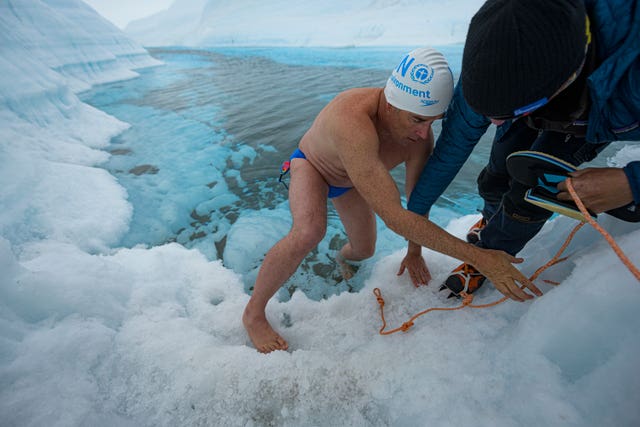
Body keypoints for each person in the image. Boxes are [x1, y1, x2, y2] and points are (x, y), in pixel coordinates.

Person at [242, 47, 541, 353]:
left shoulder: (418, 139)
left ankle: (341, 258)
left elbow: (416, 202)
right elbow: (394, 216)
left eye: (433, 122)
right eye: (417, 120)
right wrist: (480, 258)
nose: (424, 133)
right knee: (309, 231)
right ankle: (253, 314)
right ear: (391, 103)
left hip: (354, 181)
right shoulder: (353, 120)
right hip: (314, 167)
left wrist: (415, 252)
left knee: (364, 250)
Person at [402, 0, 640, 300]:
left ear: (566, 80)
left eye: (504, 114)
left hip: (609, 94)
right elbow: (450, 152)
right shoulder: (494, 57)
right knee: (497, 174)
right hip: (551, 89)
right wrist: (415, 219)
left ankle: (491, 252)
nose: (496, 123)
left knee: (533, 189)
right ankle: (490, 221)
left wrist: (631, 182)